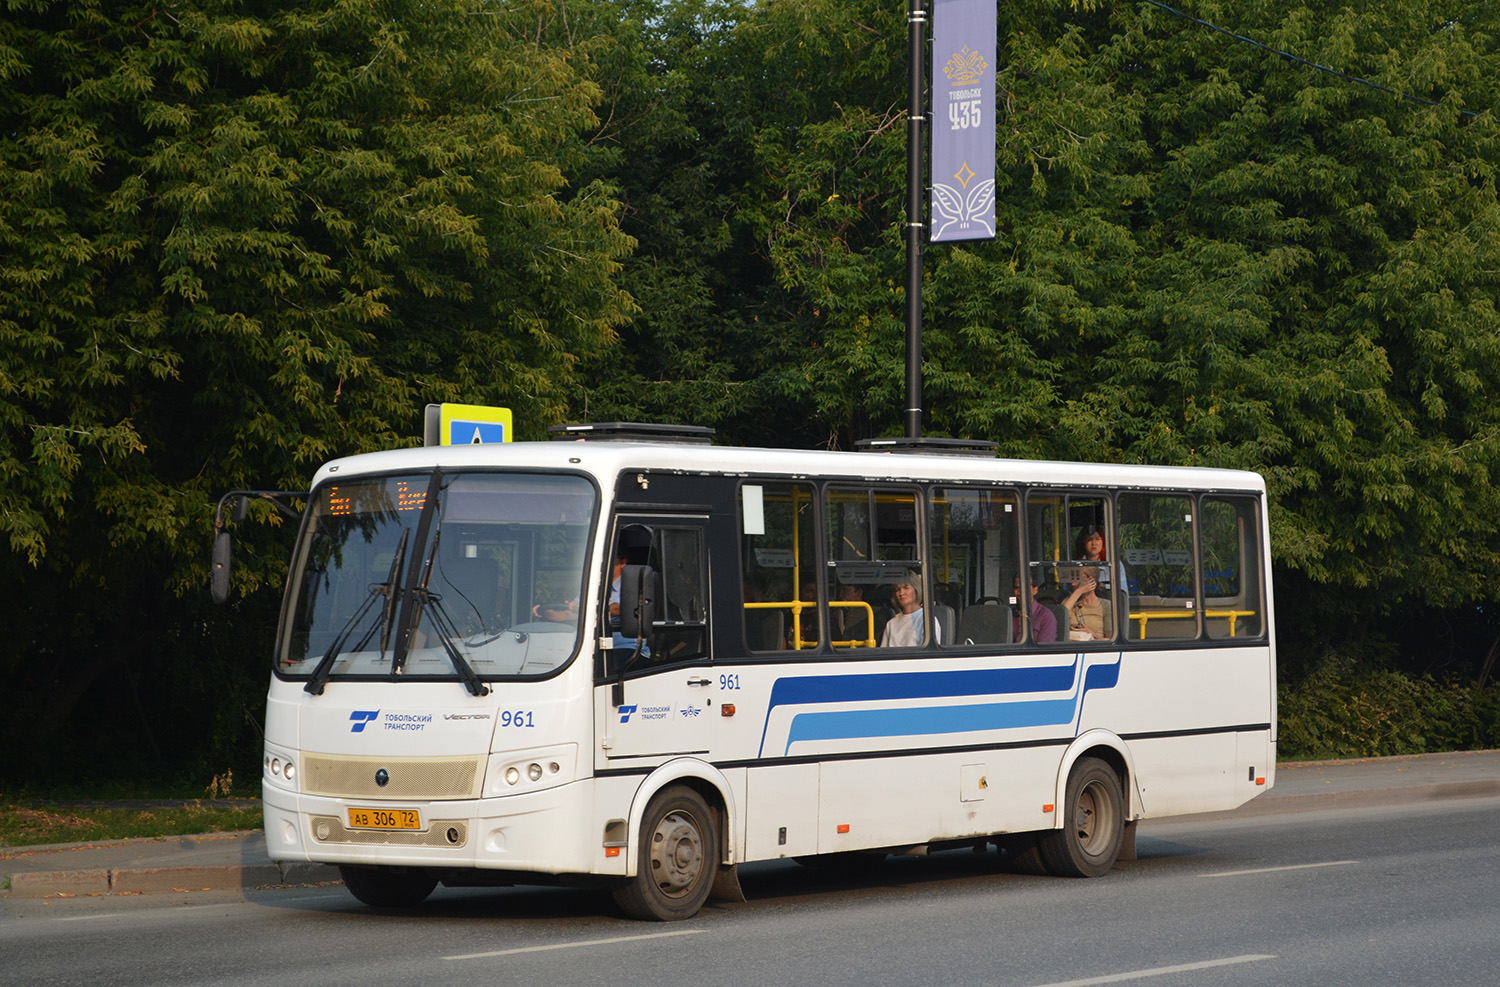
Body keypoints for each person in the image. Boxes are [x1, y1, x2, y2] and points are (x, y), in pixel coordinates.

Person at [881, 578, 938, 647]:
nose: (901, 593)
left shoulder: (928, 621)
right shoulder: (891, 623)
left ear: (917, 590)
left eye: (906, 588)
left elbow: (930, 653)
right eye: (897, 590)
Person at [1060, 568, 1108, 641]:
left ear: (1090, 579)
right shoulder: (1068, 602)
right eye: (1072, 579)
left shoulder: (1106, 606)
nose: (1073, 584)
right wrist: (1078, 592)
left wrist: (1092, 634)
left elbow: (1111, 640)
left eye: (1077, 578)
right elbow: (1060, 617)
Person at [1012, 577, 1057, 644]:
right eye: (1016, 588)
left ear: (1035, 590)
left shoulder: (1046, 616)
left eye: (1024, 588)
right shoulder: (1009, 615)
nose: (1019, 592)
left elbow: (1043, 650)